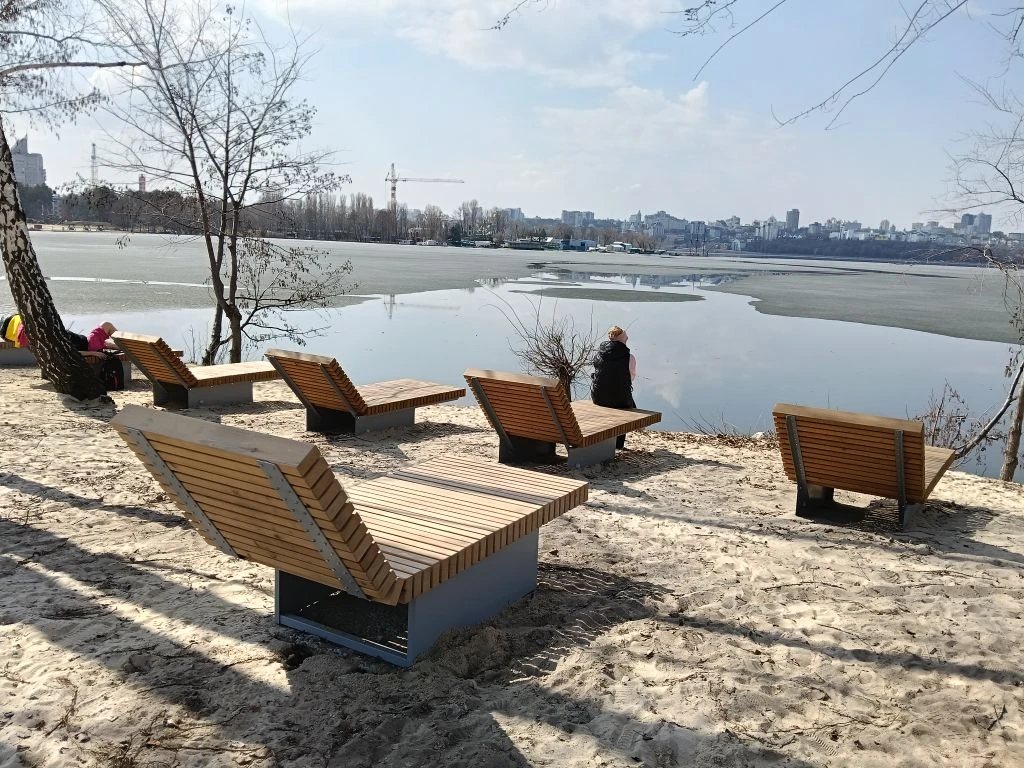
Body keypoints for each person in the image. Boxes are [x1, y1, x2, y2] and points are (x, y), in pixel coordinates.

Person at [590, 324, 638, 449]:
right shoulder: (629, 357)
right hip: (620, 400)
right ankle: (618, 444)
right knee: (626, 401)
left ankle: (604, 439)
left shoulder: (599, 354)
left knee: (619, 397)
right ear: (623, 339)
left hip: (598, 397)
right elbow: (631, 378)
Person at [0, 314, 118, 353]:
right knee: (106, 324)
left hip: (88, 343)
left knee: (108, 343)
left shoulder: (45, 341)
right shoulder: (53, 340)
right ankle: (124, 340)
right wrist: (94, 354)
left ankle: (122, 346)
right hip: (89, 344)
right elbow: (71, 353)